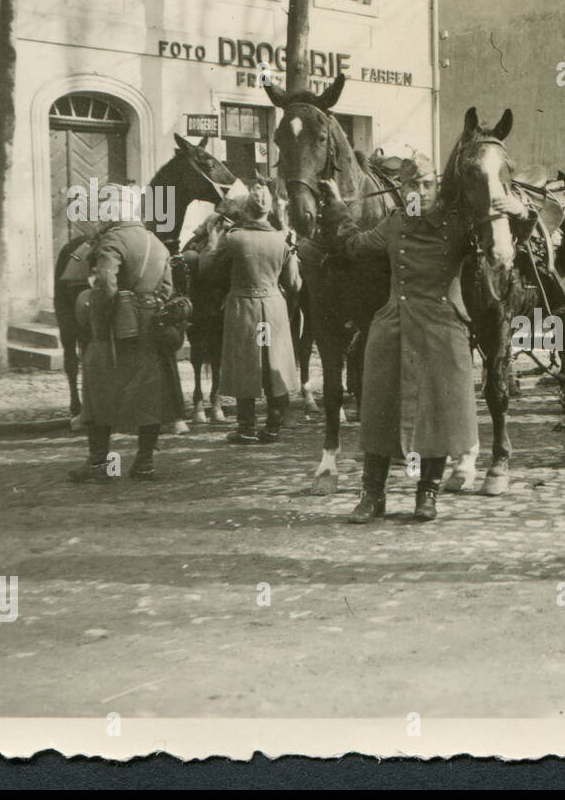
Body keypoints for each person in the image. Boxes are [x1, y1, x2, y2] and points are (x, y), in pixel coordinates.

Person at [322, 153, 479, 523]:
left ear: (437, 188)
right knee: (379, 412)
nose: (420, 192)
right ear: (402, 189)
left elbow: (494, 241)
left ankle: (427, 494)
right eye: (412, 185)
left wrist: (516, 211)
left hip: (441, 327)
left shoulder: (458, 226)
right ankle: (372, 496)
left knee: (437, 414)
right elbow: (354, 246)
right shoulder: (393, 225)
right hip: (394, 326)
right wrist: (337, 208)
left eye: (427, 184)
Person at [68, 184, 179, 482]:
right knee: (150, 391)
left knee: (96, 381)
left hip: (119, 327)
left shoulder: (112, 240)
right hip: (152, 327)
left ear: (114, 209)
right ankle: (144, 463)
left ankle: (98, 464)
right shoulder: (157, 243)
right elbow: (168, 289)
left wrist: (99, 323)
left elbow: (105, 283)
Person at [202, 181, 302, 444]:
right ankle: (273, 425)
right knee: (272, 363)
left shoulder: (233, 239)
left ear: (246, 210)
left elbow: (209, 271)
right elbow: (294, 284)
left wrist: (212, 242)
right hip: (273, 307)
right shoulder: (281, 240)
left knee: (245, 363)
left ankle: (246, 426)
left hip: (243, 306)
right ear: (268, 211)